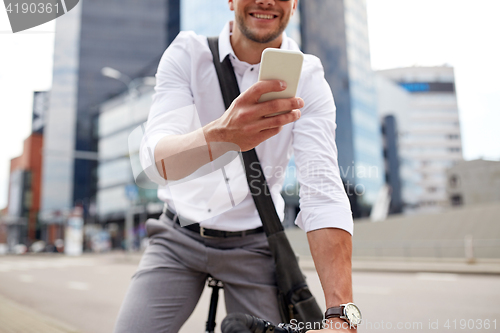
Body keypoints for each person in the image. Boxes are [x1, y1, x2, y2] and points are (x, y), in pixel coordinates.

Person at [113, 0, 358, 332]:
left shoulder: (308, 77)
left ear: (295, 3)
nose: (267, 1)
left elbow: (323, 192)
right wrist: (223, 135)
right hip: (178, 237)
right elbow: (155, 164)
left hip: (255, 245)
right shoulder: (187, 54)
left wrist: (340, 314)